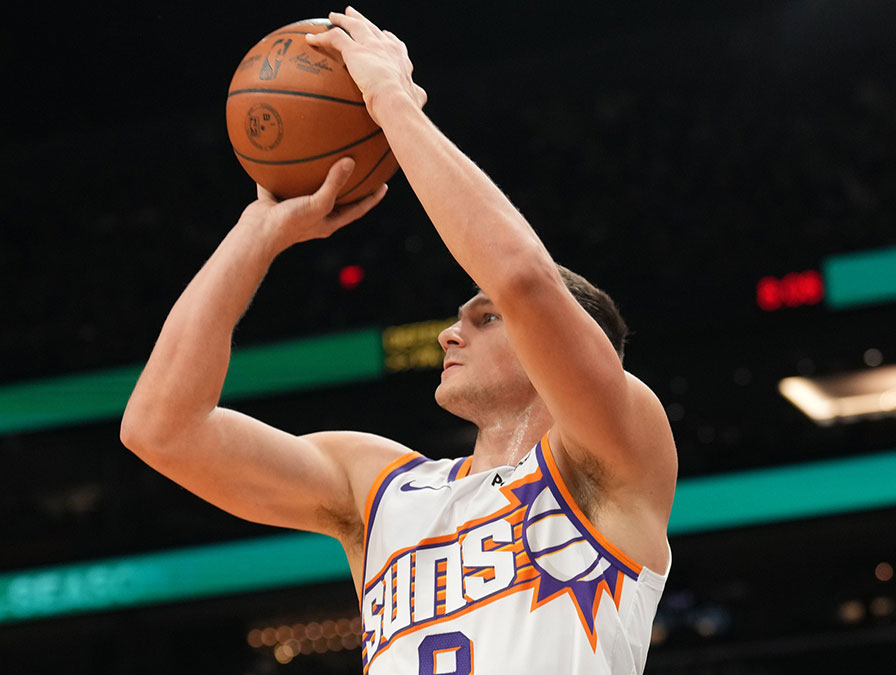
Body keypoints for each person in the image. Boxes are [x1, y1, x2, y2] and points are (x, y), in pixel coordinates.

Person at [121, 7, 676, 674]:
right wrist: (257, 234)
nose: (450, 331)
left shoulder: (611, 454)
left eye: (483, 316)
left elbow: (522, 278)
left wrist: (391, 99)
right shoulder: (378, 487)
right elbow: (159, 428)